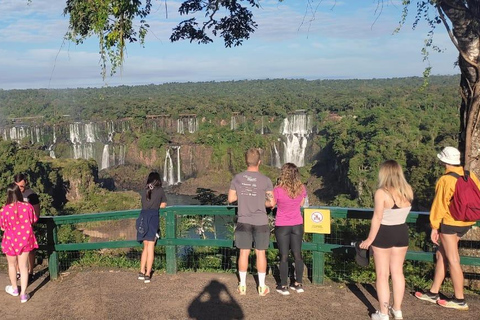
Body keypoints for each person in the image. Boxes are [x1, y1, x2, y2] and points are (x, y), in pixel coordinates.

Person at [415, 146, 478, 311]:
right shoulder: (469, 175)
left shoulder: (446, 180)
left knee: (453, 259)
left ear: (444, 161)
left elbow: (439, 206)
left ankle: (459, 299)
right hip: (466, 221)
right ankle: (433, 292)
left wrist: (434, 227)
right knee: (441, 253)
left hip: (451, 223)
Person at [360, 160, 413, 320]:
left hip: (384, 233)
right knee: (397, 272)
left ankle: (383, 313)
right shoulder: (408, 190)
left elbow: (377, 217)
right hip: (402, 233)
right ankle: (397, 310)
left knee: (382, 275)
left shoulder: (381, 193)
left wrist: (370, 239)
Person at [228, 148, 275, 296]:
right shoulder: (266, 180)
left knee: (243, 253)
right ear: (259, 162)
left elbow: (231, 199)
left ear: (246, 161)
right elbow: (271, 202)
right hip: (261, 221)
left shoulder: (237, 178)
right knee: (261, 253)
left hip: (244, 220)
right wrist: (261, 201)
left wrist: (244, 196)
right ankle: (261, 287)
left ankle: (242, 286)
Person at [1, 183, 39, 303]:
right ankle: (23, 294)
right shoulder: (27, 207)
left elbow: (2, 227)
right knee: (24, 267)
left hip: (10, 240)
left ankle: (14, 289)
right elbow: (34, 220)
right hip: (25, 239)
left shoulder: (4, 210)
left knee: (12, 265)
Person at [273, 162, 307, 295]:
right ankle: (298, 284)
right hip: (297, 224)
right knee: (297, 254)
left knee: (284, 256)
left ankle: (283, 286)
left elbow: (271, 204)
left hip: (282, 225)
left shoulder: (278, 189)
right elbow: (302, 203)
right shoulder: (301, 188)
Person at [137, 172, 167, 284]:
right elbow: (163, 205)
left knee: (145, 247)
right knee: (151, 247)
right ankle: (148, 274)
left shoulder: (145, 190)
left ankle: (141, 271)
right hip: (153, 219)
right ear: (158, 180)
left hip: (143, 218)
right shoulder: (160, 190)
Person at [14, 173, 40, 283]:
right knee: (16, 251)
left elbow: (36, 214)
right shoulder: (12, 194)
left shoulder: (32, 195)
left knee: (30, 251)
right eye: (18, 186)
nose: (20, 189)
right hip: (15, 228)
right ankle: (18, 271)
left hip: (28, 228)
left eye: (22, 186)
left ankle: (30, 272)